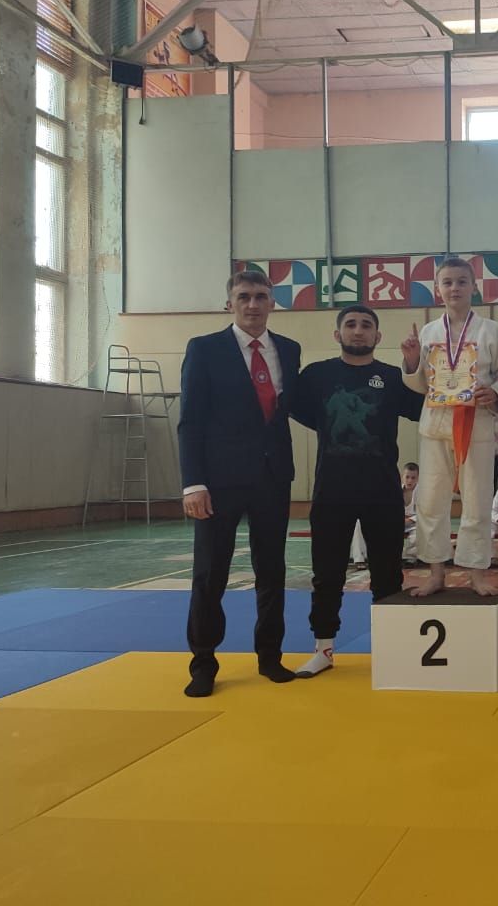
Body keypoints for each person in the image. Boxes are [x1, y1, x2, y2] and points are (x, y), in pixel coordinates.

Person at [179, 270, 302, 698]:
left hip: (272, 476)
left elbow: (289, 408)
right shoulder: (204, 349)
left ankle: (270, 656)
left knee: (272, 571)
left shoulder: (289, 349)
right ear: (229, 303)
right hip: (219, 481)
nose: (253, 304)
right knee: (210, 573)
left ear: (272, 303)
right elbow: (191, 420)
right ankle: (203, 663)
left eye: (261, 296)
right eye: (244, 296)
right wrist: (193, 483)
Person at [288, 305, 424, 678]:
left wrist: (413, 364)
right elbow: (297, 409)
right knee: (327, 572)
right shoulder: (317, 375)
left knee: (387, 573)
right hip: (333, 487)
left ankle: (392, 648)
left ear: (378, 336)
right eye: (350, 324)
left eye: (366, 325)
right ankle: (324, 649)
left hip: (381, 488)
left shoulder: (392, 376)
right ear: (338, 334)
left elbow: (419, 410)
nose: (358, 330)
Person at [401, 258, 498, 595]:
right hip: (436, 426)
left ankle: (477, 574)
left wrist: (494, 393)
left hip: (476, 425)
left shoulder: (491, 331)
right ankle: (436, 573)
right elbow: (421, 385)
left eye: (462, 281)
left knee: (477, 502)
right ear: (437, 289)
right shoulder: (428, 333)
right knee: (430, 502)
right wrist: (412, 360)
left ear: (474, 287)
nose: (455, 288)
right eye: (448, 282)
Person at [401, 462, 419, 565]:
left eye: (413, 478)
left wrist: (410, 520)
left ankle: (409, 558)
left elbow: (424, 513)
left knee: (418, 535)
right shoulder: (396, 490)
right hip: (398, 522)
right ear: (402, 477)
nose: (410, 481)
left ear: (417, 478)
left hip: (414, 524)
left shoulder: (421, 491)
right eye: (407, 477)